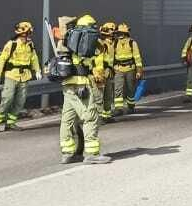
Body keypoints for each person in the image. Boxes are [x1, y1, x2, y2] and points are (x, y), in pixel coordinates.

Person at [53, 14, 111, 164]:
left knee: (68, 119)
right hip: (81, 84)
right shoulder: (85, 41)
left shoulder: (64, 41)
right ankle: (92, 154)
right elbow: (94, 59)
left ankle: (68, 153)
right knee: (90, 116)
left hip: (67, 84)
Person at [0, 20, 41, 131]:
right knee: (7, 99)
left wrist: (37, 70)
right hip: (11, 75)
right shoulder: (11, 44)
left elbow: (34, 58)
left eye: (28, 33)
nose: (27, 36)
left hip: (25, 76)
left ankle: (10, 123)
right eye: (26, 33)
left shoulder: (30, 45)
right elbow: (2, 59)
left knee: (20, 101)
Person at [112, 21, 144, 115]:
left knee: (130, 88)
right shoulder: (115, 43)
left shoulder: (132, 43)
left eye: (121, 33)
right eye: (118, 33)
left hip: (130, 69)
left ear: (125, 33)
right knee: (118, 89)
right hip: (118, 69)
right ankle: (118, 108)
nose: (119, 35)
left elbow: (137, 58)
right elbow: (111, 57)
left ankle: (130, 106)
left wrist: (139, 71)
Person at [95, 22, 118, 122]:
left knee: (108, 95)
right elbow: (97, 60)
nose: (113, 34)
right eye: (112, 31)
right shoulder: (99, 43)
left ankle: (107, 115)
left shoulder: (112, 43)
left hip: (109, 72)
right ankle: (97, 118)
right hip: (100, 73)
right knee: (99, 96)